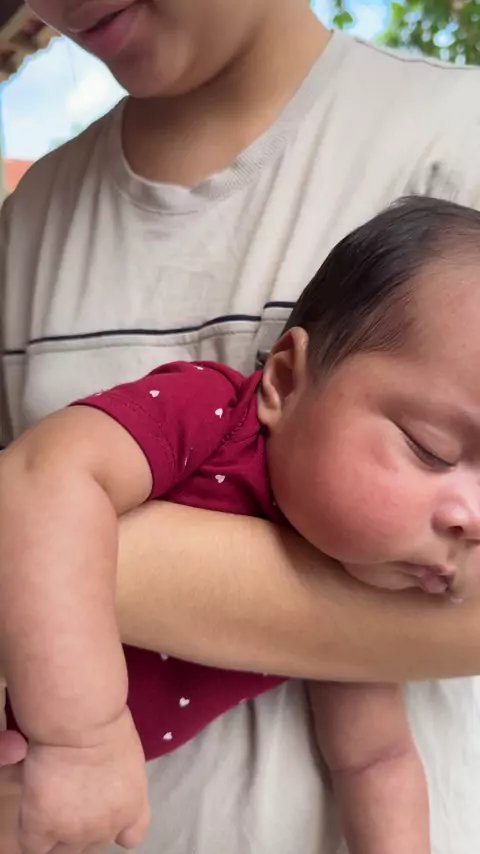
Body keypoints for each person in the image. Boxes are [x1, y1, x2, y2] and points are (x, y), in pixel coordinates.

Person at [2, 1, 480, 852]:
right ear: (283, 380)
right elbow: (42, 477)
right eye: (429, 449)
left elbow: (377, 762)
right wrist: (79, 740)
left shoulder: (363, 553)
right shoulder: (209, 411)